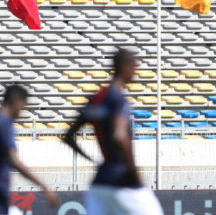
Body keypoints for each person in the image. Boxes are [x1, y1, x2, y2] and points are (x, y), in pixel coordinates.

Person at [63, 48, 163, 215]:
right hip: (122, 181)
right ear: (125, 67)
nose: (136, 73)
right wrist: (134, 170)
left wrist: (94, 161)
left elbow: (68, 137)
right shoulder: (118, 100)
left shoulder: (96, 98)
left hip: (99, 184)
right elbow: (119, 135)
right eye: (134, 67)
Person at [0, 84, 58, 215]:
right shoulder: (4, 124)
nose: (22, 111)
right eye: (23, 106)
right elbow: (13, 160)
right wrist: (44, 187)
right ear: (16, 102)